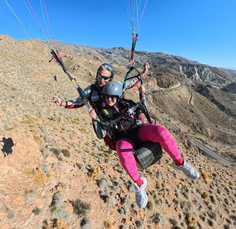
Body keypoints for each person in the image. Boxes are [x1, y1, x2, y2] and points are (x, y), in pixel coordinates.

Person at [91, 80, 199, 208]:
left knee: (161, 131)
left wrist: (143, 95)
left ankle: (180, 164)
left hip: (138, 130)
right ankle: (140, 184)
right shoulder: (102, 113)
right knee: (121, 148)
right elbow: (100, 135)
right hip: (124, 139)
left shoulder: (126, 103)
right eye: (107, 96)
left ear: (118, 96)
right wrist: (94, 119)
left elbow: (142, 109)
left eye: (113, 97)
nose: (110, 99)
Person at [52, 62, 149, 113]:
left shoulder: (115, 86)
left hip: (120, 115)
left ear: (110, 78)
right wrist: (62, 103)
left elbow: (129, 83)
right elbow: (78, 102)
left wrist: (143, 73)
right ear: (97, 75)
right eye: (100, 76)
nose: (102, 80)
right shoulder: (91, 90)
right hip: (105, 121)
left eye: (105, 78)